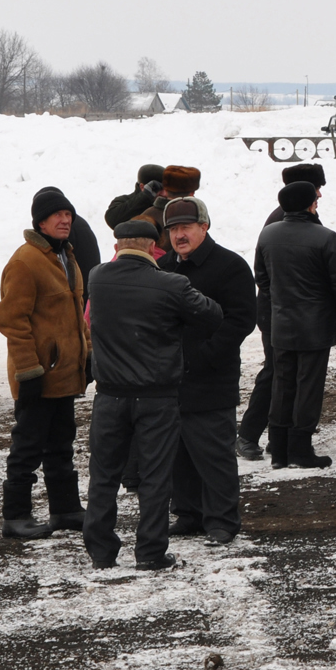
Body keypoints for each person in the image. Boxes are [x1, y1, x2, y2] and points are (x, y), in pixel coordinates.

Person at [84, 219, 223, 570]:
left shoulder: (97, 278)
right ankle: (150, 551)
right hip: (156, 396)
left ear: (117, 246)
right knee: (156, 476)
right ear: (152, 247)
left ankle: (101, 550)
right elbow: (211, 315)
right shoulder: (172, 284)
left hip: (109, 395)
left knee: (104, 474)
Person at [0, 187, 91, 540]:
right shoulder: (25, 260)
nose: (65, 220)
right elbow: (12, 321)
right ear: (41, 221)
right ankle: (15, 515)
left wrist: (87, 353)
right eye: (57, 215)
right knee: (27, 447)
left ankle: (65, 508)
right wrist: (28, 370)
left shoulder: (66, 256)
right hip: (38, 374)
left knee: (62, 444)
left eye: (68, 214)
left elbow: (77, 316)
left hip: (65, 374)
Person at [161, 198, 256, 543]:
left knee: (213, 454)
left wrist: (206, 356)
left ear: (204, 226)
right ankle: (189, 513)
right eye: (172, 229)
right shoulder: (164, 268)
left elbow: (242, 318)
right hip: (171, 379)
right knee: (179, 454)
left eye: (186, 227)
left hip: (211, 376)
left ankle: (222, 520)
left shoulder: (229, 266)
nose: (179, 235)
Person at [254, 181, 336, 468]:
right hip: (316, 326)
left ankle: (280, 451)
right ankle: (300, 448)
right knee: (308, 386)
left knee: (282, 385)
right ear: (311, 204)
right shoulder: (324, 237)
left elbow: (261, 278)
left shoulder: (268, 235)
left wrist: (280, 302)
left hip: (282, 323)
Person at [241, 162, 328, 459]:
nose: (319, 195)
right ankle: (248, 435)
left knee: (282, 373)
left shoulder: (288, 217)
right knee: (277, 372)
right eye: (316, 189)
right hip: (279, 312)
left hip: (279, 310)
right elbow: (265, 272)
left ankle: (279, 436)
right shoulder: (283, 220)